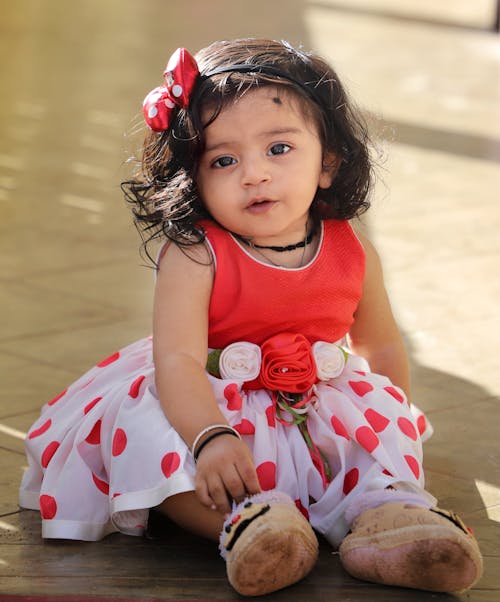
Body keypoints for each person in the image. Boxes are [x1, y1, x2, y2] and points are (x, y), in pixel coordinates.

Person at [19, 38, 483, 596]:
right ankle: (248, 528)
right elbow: (178, 359)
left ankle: (388, 520)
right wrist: (210, 436)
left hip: (315, 400)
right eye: (223, 160)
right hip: (204, 396)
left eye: (279, 149)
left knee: (373, 455)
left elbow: (380, 347)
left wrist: (390, 438)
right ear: (194, 178)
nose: (254, 175)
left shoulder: (350, 247)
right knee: (154, 447)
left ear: (328, 163)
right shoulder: (196, 254)